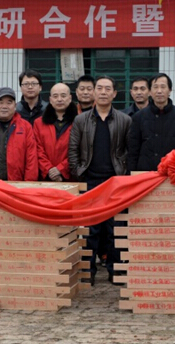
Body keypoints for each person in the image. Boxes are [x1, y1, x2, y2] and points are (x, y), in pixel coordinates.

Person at [69, 76, 132, 285]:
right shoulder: (81, 120)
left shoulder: (124, 120)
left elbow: (128, 151)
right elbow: (73, 150)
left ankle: (116, 270)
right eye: (100, 88)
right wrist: (79, 173)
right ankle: (88, 272)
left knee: (116, 229)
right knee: (89, 230)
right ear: (94, 92)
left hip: (115, 182)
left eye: (108, 89)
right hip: (90, 181)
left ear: (114, 94)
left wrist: (124, 175)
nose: (103, 92)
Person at [127, 73, 175, 172]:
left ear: (169, 90)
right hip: (146, 171)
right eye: (155, 87)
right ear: (150, 91)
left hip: (174, 172)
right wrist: (131, 173)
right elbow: (133, 150)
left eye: (163, 87)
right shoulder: (139, 117)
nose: (159, 91)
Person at [33, 83, 78, 181]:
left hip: (71, 176)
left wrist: (61, 169)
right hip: (45, 177)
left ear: (70, 98)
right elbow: (37, 150)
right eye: (55, 96)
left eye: (63, 96)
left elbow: (80, 150)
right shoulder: (38, 123)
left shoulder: (79, 122)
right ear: (50, 99)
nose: (59, 99)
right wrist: (49, 170)